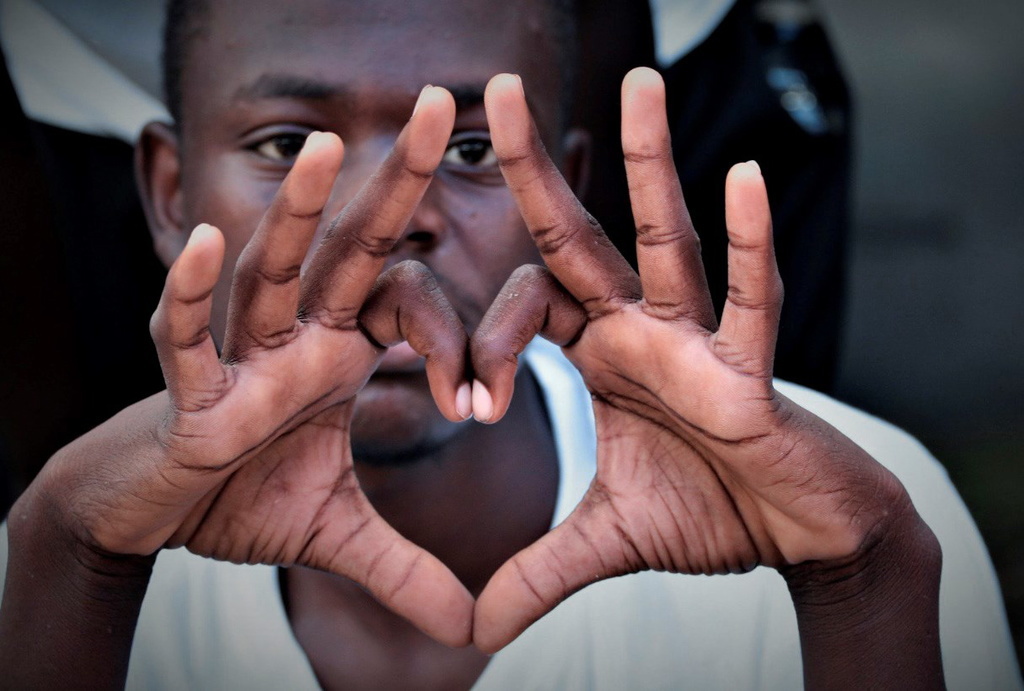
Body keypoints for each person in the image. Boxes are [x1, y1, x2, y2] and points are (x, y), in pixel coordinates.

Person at [0, 0, 1019, 688]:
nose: (384, 216)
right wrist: (65, 569)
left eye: (476, 150)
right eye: (289, 146)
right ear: (168, 193)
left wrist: (856, 587)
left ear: (562, 190)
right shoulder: (72, 556)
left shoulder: (859, 513)